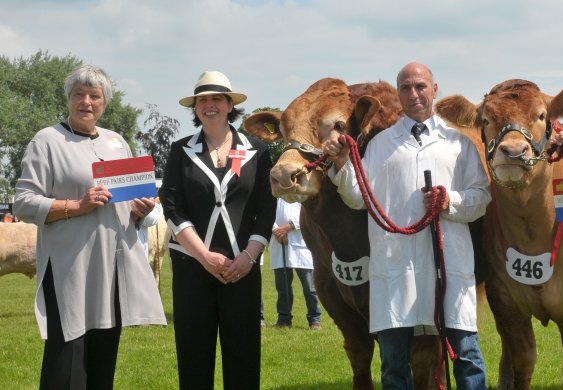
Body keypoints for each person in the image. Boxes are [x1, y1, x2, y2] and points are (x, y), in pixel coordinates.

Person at [323, 62, 491, 389]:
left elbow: (481, 197)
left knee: (467, 355)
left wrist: (449, 202)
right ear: (398, 94)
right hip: (396, 267)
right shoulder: (381, 145)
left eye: (420, 86)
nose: (413, 94)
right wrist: (343, 164)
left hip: (448, 265)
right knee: (393, 362)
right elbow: (359, 198)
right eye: (406, 88)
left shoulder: (459, 144)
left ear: (434, 89)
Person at [13, 64, 166, 389]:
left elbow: (126, 205)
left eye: (94, 95)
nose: (86, 101)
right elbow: (23, 203)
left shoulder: (116, 142)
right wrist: (76, 206)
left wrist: (139, 210)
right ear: (68, 99)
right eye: (79, 94)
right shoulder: (47, 141)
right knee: (67, 360)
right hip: (69, 269)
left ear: (104, 103)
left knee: (103, 359)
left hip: (111, 270)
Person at [159, 70, 276, 389]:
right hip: (191, 268)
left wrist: (249, 257)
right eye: (202, 100)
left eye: (216, 99)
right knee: (194, 358)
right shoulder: (180, 150)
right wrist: (203, 256)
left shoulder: (256, 150)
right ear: (195, 108)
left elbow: (266, 208)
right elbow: (171, 206)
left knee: (243, 357)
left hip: (242, 268)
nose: (209, 105)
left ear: (229, 105)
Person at [269, 198, 322, 330]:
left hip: (300, 245)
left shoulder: (300, 195)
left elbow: (309, 215)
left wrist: (288, 227)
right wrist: (276, 230)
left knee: (309, 288)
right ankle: (284, 320)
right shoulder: (272, 195)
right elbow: (266, 214)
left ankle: (314, 320)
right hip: (279, 243)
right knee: (283, 288)